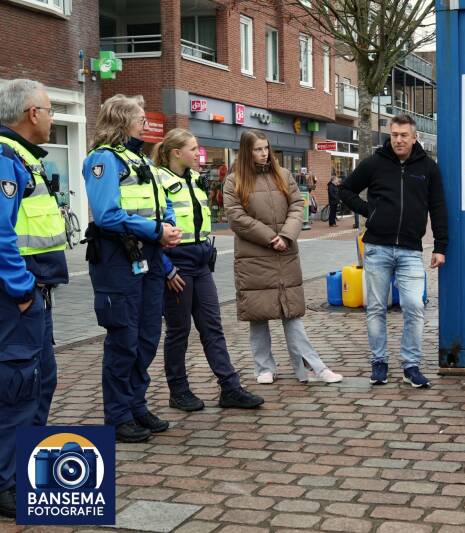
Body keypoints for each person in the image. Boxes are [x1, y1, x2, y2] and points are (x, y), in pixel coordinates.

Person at [82, 94, 183, 443]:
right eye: (140, 118)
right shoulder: (103, 160)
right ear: (122, 121)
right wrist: (156, 231)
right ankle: (118, 416)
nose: (146, 123)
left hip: (151, 259)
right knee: (123, 340)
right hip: (118, 261)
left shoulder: (140, 159)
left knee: (146, 337)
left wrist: (168, 227)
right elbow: (107, 214)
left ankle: (136, 404)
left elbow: (162, 200)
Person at [152, 128, 264, 411]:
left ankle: (230, 387)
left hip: (200, 260)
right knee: (179, 330)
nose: (198, 153)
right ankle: (179, 391)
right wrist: (166, 268)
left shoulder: (193, 178)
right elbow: (152, 229)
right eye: (192, 148)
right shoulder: (159, 179)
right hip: (176, 260)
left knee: (212, 326)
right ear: (176, 153)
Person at [223, 130, 342, 384]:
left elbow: (297, 206)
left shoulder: (283, 175)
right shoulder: (234, 181)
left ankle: (312, 367)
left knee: (292, 313)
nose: (264, 153)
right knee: (258, 314)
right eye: (257, 149)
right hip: (253, 256)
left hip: (284, 253)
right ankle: (264, 367)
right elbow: (236, 217)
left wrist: (286, 235)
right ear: (247, 151)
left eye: (266, 148)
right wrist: (269, 237)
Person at [0, 79, 68, 518]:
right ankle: (7, 484)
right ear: (32, 114)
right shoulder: (6, 161)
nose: (52, 118)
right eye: (49, 109)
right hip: (16, 299)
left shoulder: (24, 160)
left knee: (41, 379)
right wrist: (23, 291)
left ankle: (26, 470)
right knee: (18, 387)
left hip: (31, 296)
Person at [339, 114, 448, 388]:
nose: (398, 140)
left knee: (414, 306)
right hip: (377, 248)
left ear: (414, 137)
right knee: (376, 308)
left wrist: (440, 246)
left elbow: (437, 207)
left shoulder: (428, 168)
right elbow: (346, 190)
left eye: (404, 135)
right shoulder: (375, 164)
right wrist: (369, 211)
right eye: (394, 135)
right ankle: (379, 362)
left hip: (411, 250)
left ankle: (410, 365)